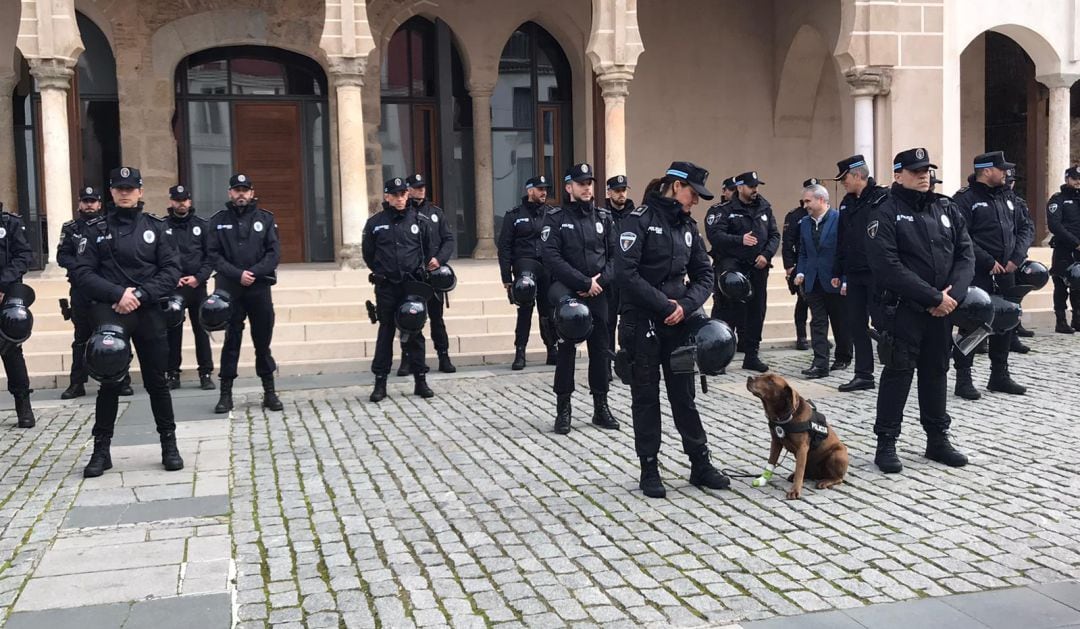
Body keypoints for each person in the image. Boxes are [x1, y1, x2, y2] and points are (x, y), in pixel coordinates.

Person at [615, 161, 729, 498]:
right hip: (643, 323)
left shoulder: (688, 227)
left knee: (685, 397)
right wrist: (665, 305)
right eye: (693, 193)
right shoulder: (637, 222)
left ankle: (699, 463)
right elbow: (626, 273)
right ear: (676, 186)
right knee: (646, 397)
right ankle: (649, 466)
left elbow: (705, 274)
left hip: (678, 324)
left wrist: (686, 306)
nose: (695, 201)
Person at [865, 147, 973, 474]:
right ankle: (886, 442)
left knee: (936, 371)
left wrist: (952, 295)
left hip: (942, 310)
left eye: (926, 169)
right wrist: (932, 297)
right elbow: (887, 265)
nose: (924, 175)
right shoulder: (884, 210)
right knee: (898, 372)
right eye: (916, 171)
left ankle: (937, 439)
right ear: (898, 174)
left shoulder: (945, 208)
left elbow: (965, 255)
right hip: (903, 310)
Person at [73, 166, 184, 476]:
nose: (125, 193)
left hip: (147, 310)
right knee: (109, 380)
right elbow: (83, 273)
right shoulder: (95, 230)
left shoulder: (157, 228)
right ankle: (101, 450)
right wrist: (118, 293)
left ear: (140, 192)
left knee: (157, 382)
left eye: (130, 188)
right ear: (111, 192)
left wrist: (143, 293)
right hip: (112, 309)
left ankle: (169, 444)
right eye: (119, 188)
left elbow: (171, 270)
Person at [541, 163, 618, 434]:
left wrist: (598, 283)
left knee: (600, 349)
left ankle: (601, 407)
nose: (586, 187)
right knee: (566, 351)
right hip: (567, 291)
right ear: (568, 187)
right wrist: (583, 282)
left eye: (589, 183)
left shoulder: (604, 218)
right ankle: (564, 409)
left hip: (598, 291)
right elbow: (551, 256)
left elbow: (615, 257)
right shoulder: (556, 217)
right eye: (581, 183)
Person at [951, 151, 1033, 400]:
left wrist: (1016, 258)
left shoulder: (1008, 196)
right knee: (974, 323)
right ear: (986, 171)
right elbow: (961, 236)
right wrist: (989, 261)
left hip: (1007, 272)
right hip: (978, 274)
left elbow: (1026, 228)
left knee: (1006, 320)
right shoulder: (965, 199)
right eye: (1002, 169)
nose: (1006, 173)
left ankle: (999, 375)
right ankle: (963, 378)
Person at [207, 173, 283, 413]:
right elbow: (213, 255)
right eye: (236, 190)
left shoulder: (266, 219)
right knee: (231, 342)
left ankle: (269, 392)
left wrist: (253, 272)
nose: (241, 194)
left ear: (252, 192)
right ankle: (225, 394)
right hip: (229, 289)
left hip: (258, 288)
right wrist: (237, 274)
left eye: (245, 190)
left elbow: (274, 253)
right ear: (230, 193)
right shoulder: (218, 221)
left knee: (263, 342)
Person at [363, 177, 438, 402]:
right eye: (395, 195)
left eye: (403, 194)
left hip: (411, 285)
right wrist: (382, 270)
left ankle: (420, 380)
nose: (400, 198)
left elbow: (427, 248)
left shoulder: (419, 220)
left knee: (415, 331)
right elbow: (369, 254)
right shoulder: (375, 222)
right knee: (386, 332)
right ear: (387, 196)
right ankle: (380, 382)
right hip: (387, 285)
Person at [705, 171, 779, 372]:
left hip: (757, 269)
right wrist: (740, 240)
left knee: (756, 312)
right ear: (739, 187)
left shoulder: (765, 207)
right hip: (732, 270)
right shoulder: (724, 210)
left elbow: (774, 235)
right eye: (751, 186)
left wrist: (766, 255)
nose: (755, 190)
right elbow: (715, 235)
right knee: (728, 313)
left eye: (756, 186)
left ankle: (751, 355)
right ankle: (719, 358)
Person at [833, 154, 889, 392]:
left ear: (857, 175)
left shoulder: (883, 198)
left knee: (883, 322)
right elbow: (842, 238)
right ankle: (864, 374)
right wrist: (838, 269)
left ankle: (896, 364)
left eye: (844, 178)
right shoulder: (846, 202)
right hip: (854, 273)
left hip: (877, 273)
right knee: (856, 324)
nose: (842, 182)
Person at [497, 176, 558, 370]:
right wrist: (506, 277)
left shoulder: (552, 214)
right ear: (529, 190)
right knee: (525, 309)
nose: (544, 192)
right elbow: (504, 247)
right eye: (540, 189)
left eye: (545, 188)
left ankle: (552, 348)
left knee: (548, 311)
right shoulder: (514, 215)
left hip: (547, 267)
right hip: (525, 265)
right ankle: (520, 351)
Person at [398, 174, 455, 375]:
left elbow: (448, 240)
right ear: (408, 190)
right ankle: (407, 360)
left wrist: (439, 260)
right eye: (416, 187)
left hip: (433, 274)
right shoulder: (403, 214)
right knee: (410, 317)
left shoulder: (436, 213)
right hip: (413, 275)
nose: (421, 190)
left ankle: (444, 356)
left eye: (422, 186)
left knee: (436, 318)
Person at [793, 183, 852, 378]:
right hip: (812, 281)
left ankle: (843, 356)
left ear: (821, 199)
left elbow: (845, 252)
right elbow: (803, 252)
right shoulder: (804, 223)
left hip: (833, 280)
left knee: (839, 321)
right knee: (817, 322)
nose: (805, 204)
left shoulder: (839, 219)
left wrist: (844, 278)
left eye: (808, 200)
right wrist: (800, 272)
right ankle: (820, 364)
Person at [164, 184, 215, 391]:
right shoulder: (162, 226)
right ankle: (173, 373)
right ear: (171, 202)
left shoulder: (202, 225)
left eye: (184, 200)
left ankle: (205, 373)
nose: (181, 203)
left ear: (190, 202)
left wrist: (198, 277)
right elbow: (159, 257)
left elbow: (210, 256)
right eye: (177, 200)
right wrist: (171, 277)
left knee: (201, 331)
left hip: (197, 286)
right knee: (172, 331)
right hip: (173, 287)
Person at [57, 187, 103, 400]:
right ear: (79, 204)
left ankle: (119, 379)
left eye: (92, 201)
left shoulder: (107, 226)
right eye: (85, 201)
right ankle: (77, 382)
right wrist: (81, 269)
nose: (89, 205)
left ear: (99, 204)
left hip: (103, 290)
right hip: (80, 289)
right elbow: (62, 256)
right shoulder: (71, 228)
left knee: (110, 334)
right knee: (81, 338)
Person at [605, 175, 634, 373]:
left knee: (628, 324)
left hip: (629, 277)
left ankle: (625, 363)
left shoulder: (636, 215)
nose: (621, 194)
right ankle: (605, 363)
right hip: (610, 277)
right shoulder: (601, 215)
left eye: (624, 190)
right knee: (608, 323)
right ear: (609, 193)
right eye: (617, 190)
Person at [1047, 165, 1080, 333]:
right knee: (1061, 285)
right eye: (1075, 178)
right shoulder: (1057, 199)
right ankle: (1061, 321)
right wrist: (1075, 242)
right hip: (1064, 249)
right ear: (1067, 179)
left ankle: (1077, 319)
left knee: (1078, 284)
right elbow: (1055, 225)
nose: (1078, 182)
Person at [1004, 168, 1034, 345]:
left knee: (1013, 296)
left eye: (1012, 181)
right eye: (1007, 180)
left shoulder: (1018, 202)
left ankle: (1013, 333)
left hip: (1015, 256)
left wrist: (1017, 255)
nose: (1010, 184)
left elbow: (1027, 228)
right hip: (992, 259)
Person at [781, 181, 811, 350]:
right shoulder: (795, 215)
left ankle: (818, 335)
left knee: (820, 303)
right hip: (800, 264)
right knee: (803, 301)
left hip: (817, 264)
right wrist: (789, 266)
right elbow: (787, 242)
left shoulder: (826, 213)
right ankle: (801, 336)